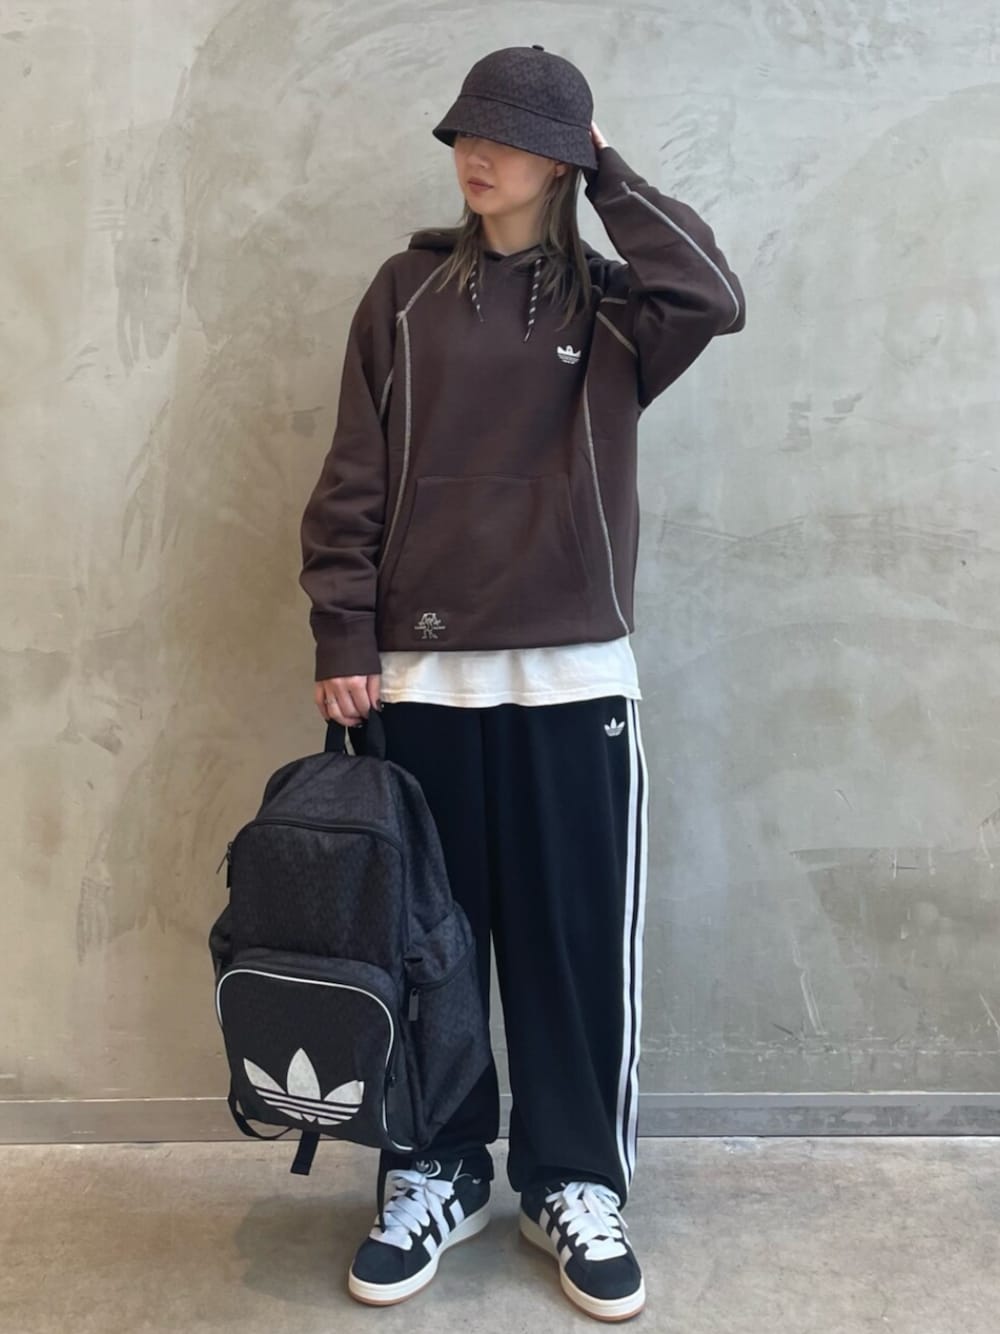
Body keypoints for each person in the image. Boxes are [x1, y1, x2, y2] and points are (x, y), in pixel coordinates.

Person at [298, 43, 746, 1323]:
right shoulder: (402, 292)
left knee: (571, 950)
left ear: (558, 159)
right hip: (417, 680)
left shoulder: (617, 308)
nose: (473, 154)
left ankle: (573, 1180)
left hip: (572, 682)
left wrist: (606, 172)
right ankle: (434, 1169)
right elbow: (353, 474)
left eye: (504, 137)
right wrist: (342, 633)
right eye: (464, 133)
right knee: (426, 953)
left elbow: (712, 292)